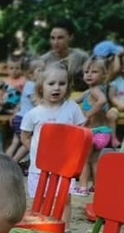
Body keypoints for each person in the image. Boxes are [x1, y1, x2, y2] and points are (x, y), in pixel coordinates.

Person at [19, 62, 85, 199]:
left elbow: (81, 132)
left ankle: (64, 222)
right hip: (39, 169)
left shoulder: (72, 108)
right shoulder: (33, 114)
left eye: (62, 83)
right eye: (51, 83)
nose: (57, 87)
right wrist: (37, 150)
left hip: (64, 167)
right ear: (41, 87)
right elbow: (25, 136)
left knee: (64, 200)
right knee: (41, 200)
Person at [73, 56, 111, 195]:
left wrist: (87, 115)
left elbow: (101, 101)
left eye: (94, 71)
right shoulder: (92, 90)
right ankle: (97, 186)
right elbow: (73, 101)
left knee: (84, 161)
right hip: (104, 133)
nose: (89, 74)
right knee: (94, 161)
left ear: (104, 75)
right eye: (86, 71)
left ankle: (82, 188)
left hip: (92, 132)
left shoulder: (95, 90)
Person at [7, 58, 45, 164]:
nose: (44, 73)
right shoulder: (32, 86)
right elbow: (35, 101)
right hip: (24, 120)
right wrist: (46, 106)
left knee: (15, 142)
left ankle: (5, 161)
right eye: (40, 70)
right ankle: (14, 162)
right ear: (31, 74)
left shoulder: (28, 84)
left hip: (19, 118)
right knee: (29, 143)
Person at [39, 18, 88, 92]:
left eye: (60, 38)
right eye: (52, 38)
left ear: (70, 37)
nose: (55, 42)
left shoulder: (82, 57)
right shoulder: (43, 61)